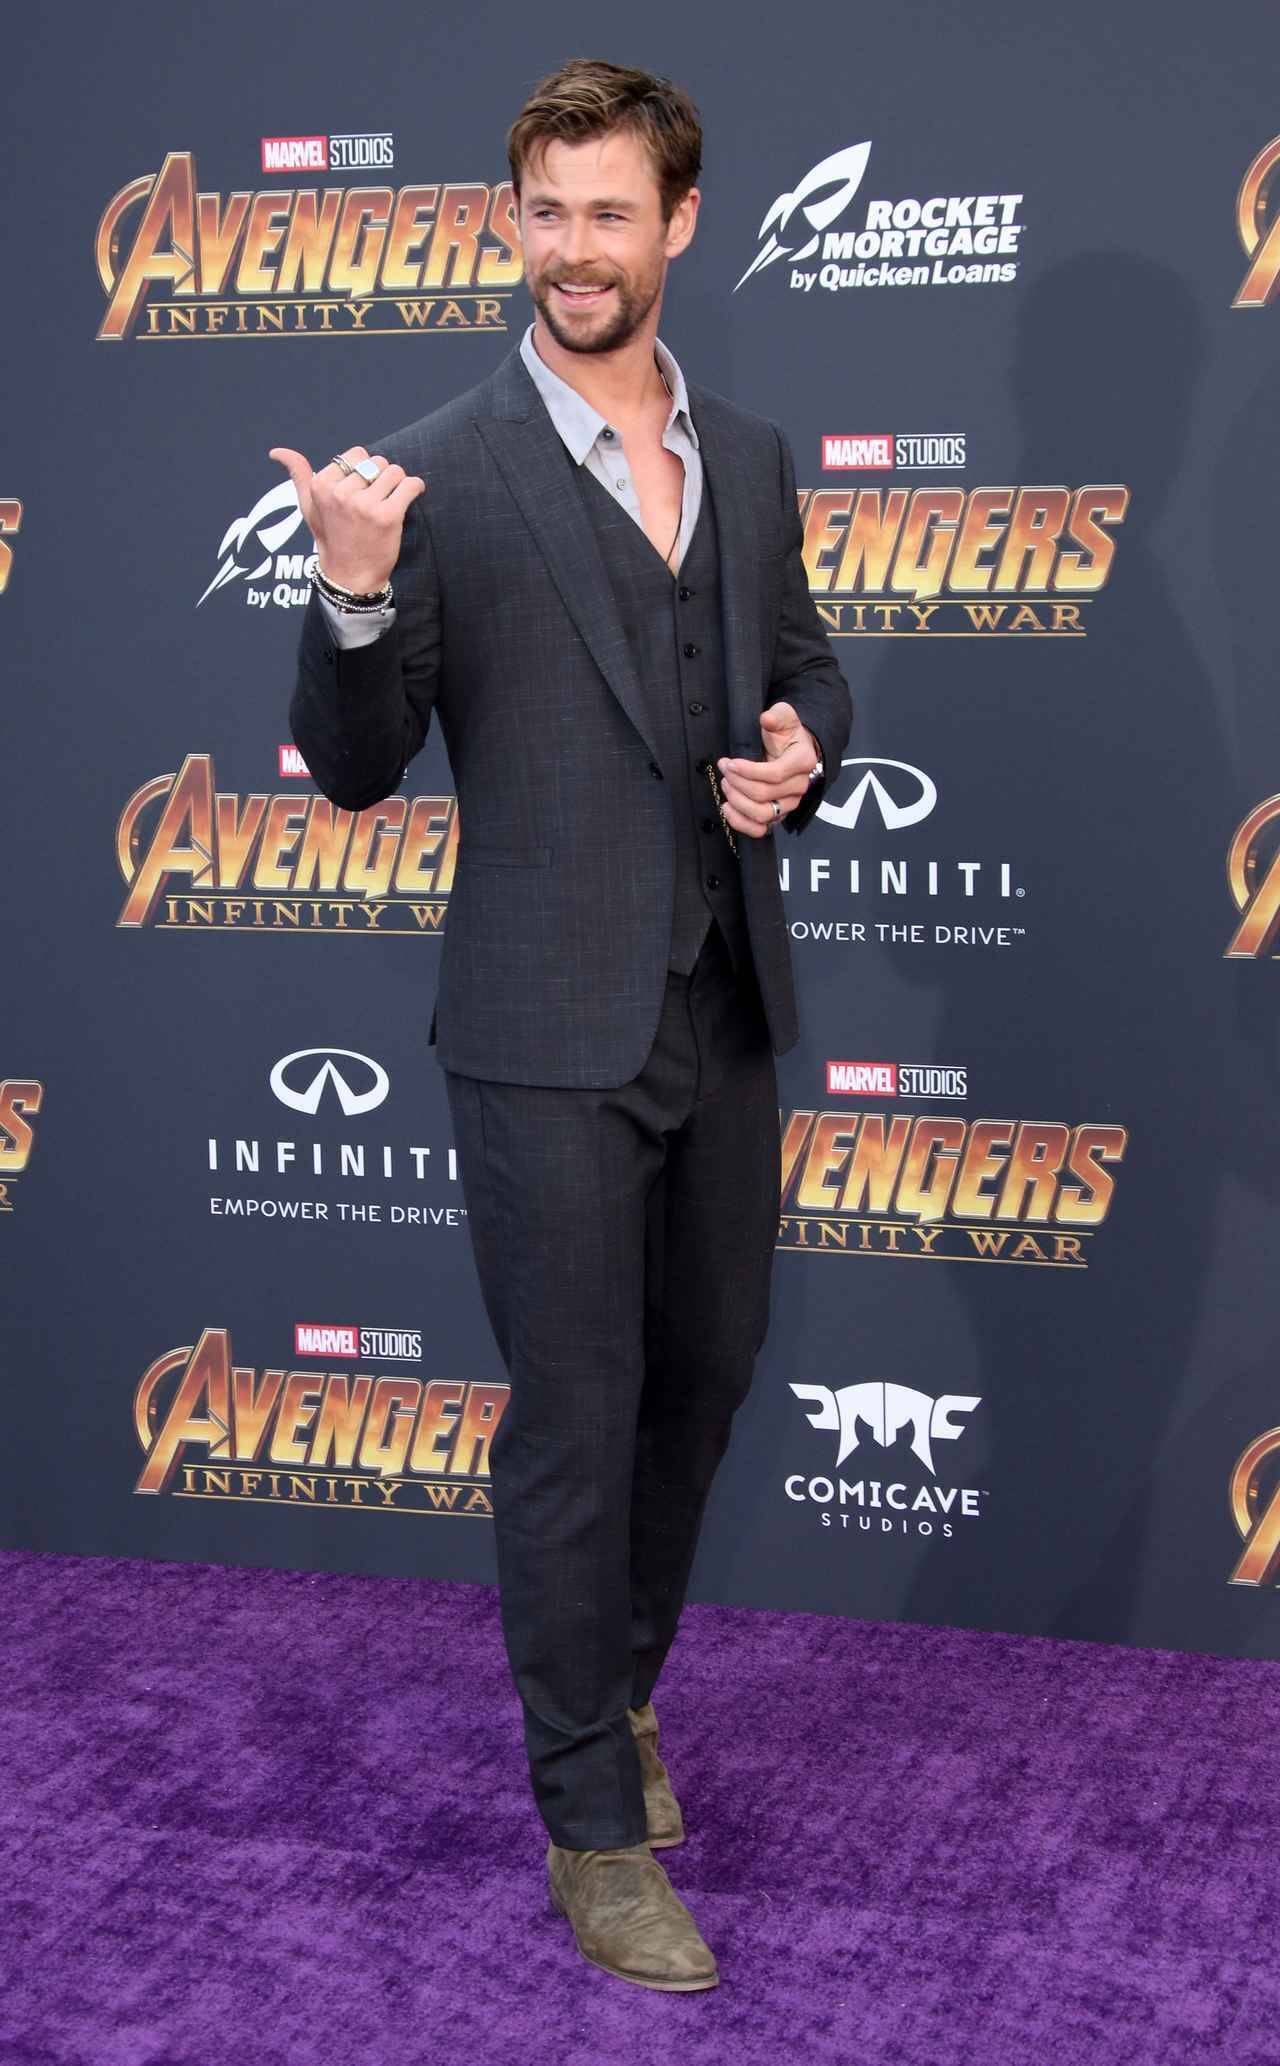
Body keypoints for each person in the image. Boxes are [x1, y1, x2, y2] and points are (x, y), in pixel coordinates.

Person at [275, 56, 853, 1994]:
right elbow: (356, 767)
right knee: (575, 1422)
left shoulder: (749, 454)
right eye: (547, 210)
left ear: (678, 223)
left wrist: (802, 740)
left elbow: (809, 668)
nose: (575, 248)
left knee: (708, 1376)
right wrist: (353, 596)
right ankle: (591, 1819)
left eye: (611, 212)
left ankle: (621, 1687)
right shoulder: (432, 470)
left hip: (727, 1002)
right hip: (541, 1031)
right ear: (510, 218)